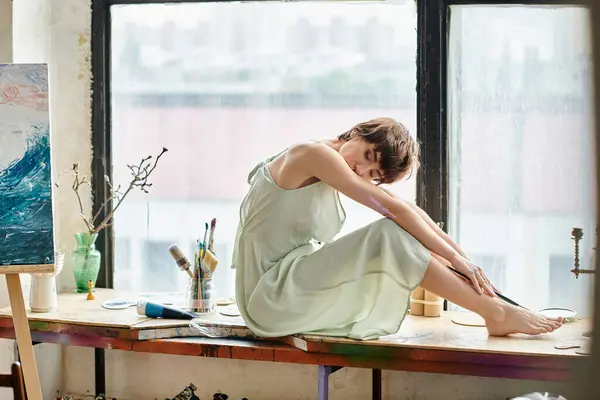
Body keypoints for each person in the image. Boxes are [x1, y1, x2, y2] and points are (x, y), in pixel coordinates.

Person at [231, 117, 563, 340]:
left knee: (402, 232)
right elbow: (392, 209)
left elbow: (408, 209)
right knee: (389, 233)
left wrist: (463, 260)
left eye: (373, 174)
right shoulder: (311, 153)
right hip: (268, 297)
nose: (362, 170)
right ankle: (494, 312)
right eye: (367, 155)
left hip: (292, 284)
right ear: (357, 132)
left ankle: (498, 307)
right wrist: (457, 261)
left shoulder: (336, 168)